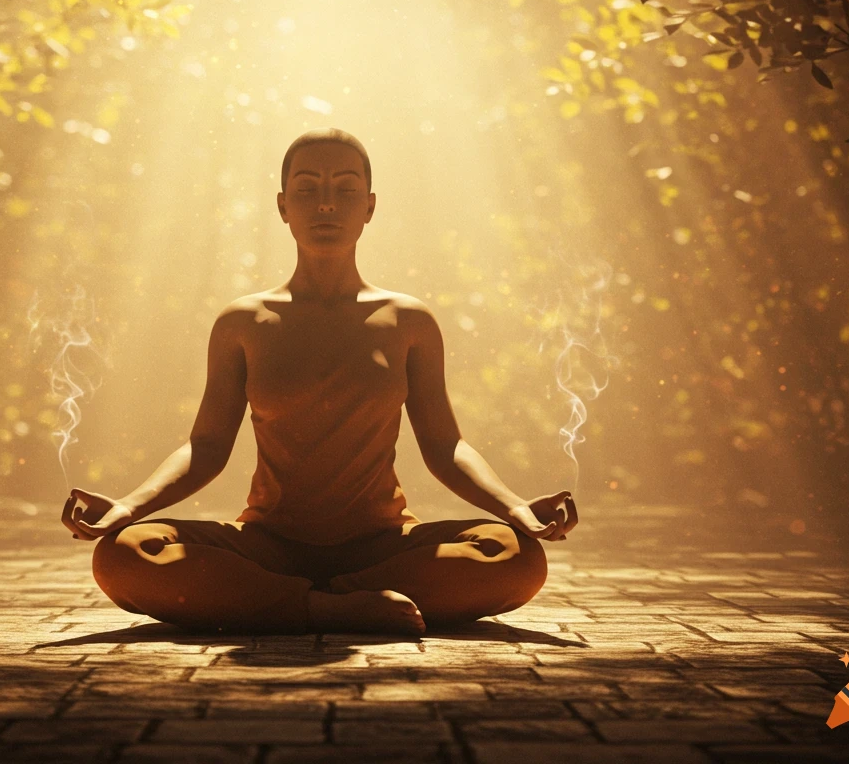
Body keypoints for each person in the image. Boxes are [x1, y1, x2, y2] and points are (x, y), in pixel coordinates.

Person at [61, 127, 578, 635]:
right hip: (269, 543)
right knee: (125, 553)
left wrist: (514, 507)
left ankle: (297, 601)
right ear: (283, 205)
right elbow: (207, 446)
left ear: (369, 207)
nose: (326, 204)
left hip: (381, 545)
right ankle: (328, 607)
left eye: (345, 190)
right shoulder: (244, 322)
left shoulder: (407, 321)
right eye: (307, 189)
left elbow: (446, 445)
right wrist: (128, 507)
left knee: (514, 555)